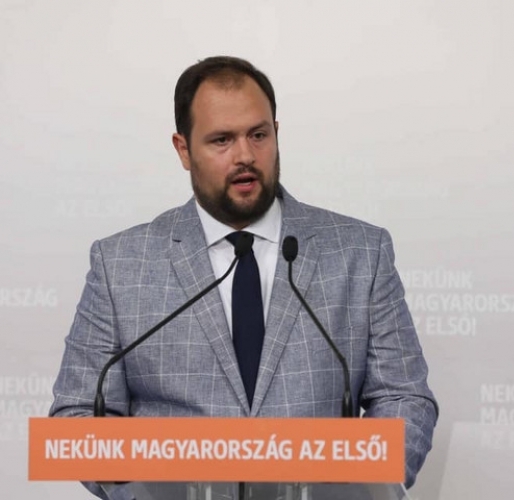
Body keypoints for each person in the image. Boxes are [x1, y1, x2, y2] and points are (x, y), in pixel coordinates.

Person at [49, 56, 438, 496]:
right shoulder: (120, 264)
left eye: (258, 135)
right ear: (183, 149)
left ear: (276, 134)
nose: (246, 156)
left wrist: (359, 487)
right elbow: (78, 414)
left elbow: (404, 397)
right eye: (222, 140)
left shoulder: (361, 252)